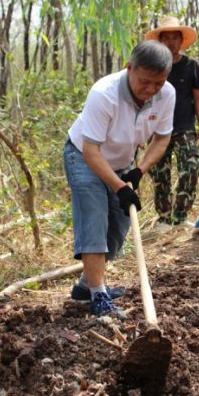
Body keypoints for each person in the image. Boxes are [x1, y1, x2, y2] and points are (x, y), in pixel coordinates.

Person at [64, 41, 176, 316]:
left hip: (122, 163)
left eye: (158, 83)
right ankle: (98, 296)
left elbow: (162, 138)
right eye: (145, 82)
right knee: (95, 216)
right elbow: (91, 151)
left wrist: (139, 170)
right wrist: (118, 187)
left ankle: (85, 286)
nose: (151, 90)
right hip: (84, 157)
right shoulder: (104, 94)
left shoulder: (167, 94)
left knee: (119, 224)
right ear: (129, 69)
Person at [145, 16, 199, 230]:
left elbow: (198, 97)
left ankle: (180, 216)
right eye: (166, 37)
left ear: (181, 41)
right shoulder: (152, 66)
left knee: (191, 167)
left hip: (184, 127)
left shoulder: (191, 66)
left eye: (174, 37)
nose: (171, 42)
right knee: (160, 173)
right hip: (156, 128)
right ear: (160, 41)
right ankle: (164, 219)